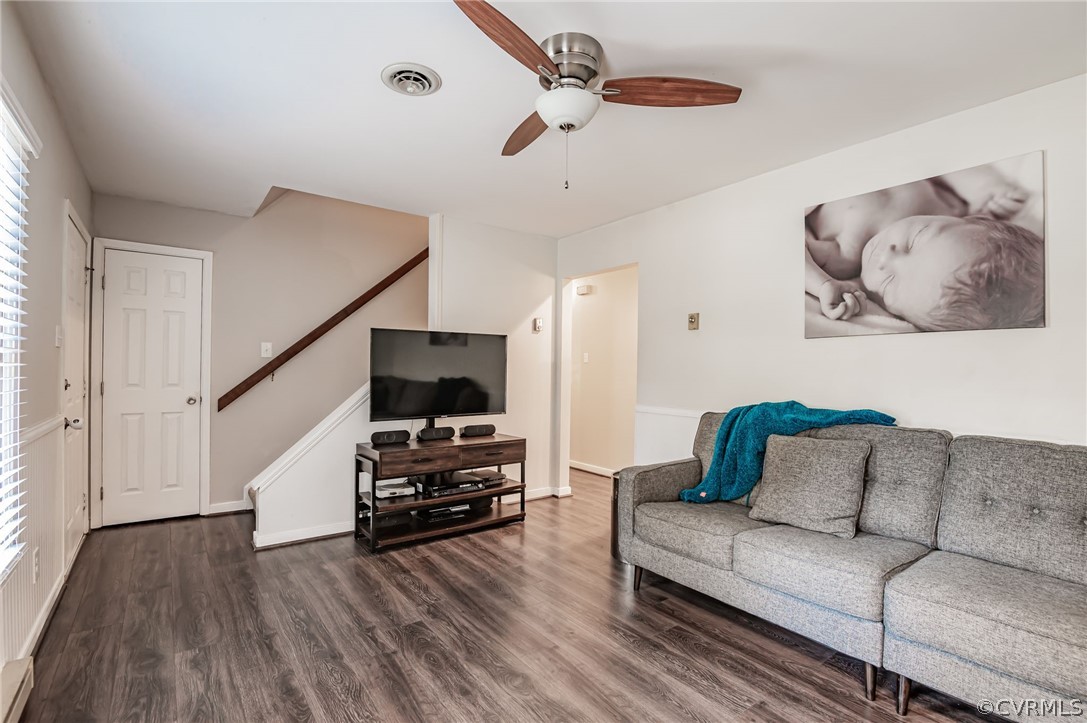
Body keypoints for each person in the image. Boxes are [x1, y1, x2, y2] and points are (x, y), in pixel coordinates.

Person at [805, 167, 1044, 330]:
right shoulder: (954, 210)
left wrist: (822, 284)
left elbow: (789, 250)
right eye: (917, 236)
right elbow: (942, 160)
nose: (886, 256)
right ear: (974, 218)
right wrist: (985, 189)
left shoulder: (843, 257)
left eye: (889, 283)